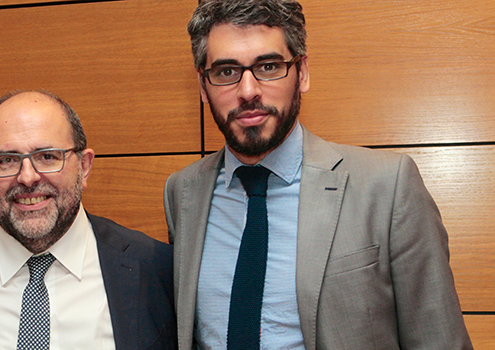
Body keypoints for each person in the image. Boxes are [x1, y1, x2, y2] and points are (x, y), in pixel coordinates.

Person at [164, 1, 473, 349]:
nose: (248, 90)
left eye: (268, 66)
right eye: (225, 72)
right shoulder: (183, 192)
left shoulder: (387, 186)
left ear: (303, 73)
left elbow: (439, 340)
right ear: (203, 88)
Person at [0, 90, 176, 349]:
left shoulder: (158, 270)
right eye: (7, 160)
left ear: (84, 167)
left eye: (47, 157)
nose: (28, 177)